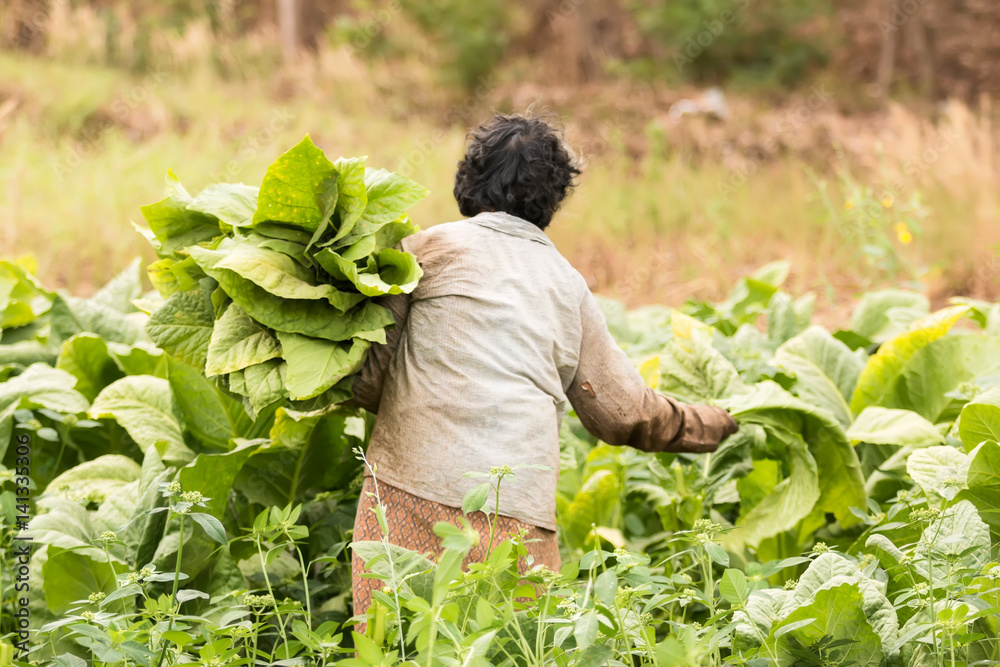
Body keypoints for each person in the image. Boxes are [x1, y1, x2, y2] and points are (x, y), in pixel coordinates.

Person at [348, 112, 739, 620]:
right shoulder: (566, 285)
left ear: (470, 179)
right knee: (511, 650)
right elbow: (622, 413)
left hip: (407, 500)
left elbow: (369, 376)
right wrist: (713, 422)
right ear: (552, 198)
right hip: (516, 520)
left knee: (393, 647)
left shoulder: (425, 251)